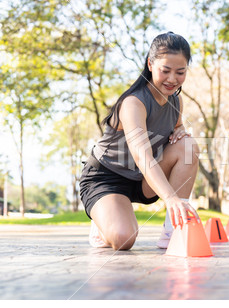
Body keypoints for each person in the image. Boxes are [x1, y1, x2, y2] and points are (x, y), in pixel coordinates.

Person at [79, 32, 200, 251]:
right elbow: (142, 156)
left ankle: (174, 231)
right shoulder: (134, 102)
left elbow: (177, 126)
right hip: (106, 179)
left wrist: (181, 131)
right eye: (166, 70)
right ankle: (102, 220)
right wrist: (171, 199)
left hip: (142, 180)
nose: (173, 79)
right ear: (150, 64)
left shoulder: (176, 101)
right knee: (124, 239)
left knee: (189, 146)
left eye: (180, 72)